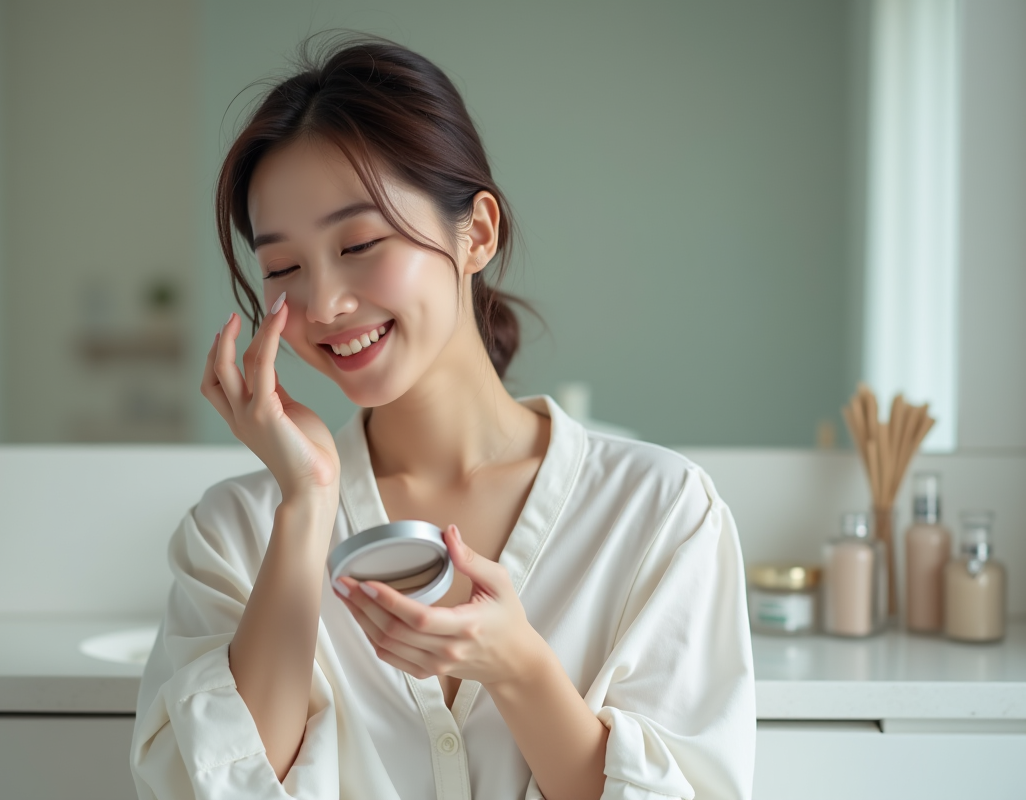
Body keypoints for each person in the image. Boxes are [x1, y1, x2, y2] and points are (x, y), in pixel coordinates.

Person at [131, 33, 755, 800]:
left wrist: (518, 666)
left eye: (360, 242)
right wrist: (306, 501)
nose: (323, 304)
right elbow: (202, 790)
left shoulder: (660, 514)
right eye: (283, 267)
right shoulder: (234, 535)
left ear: (477, 233)